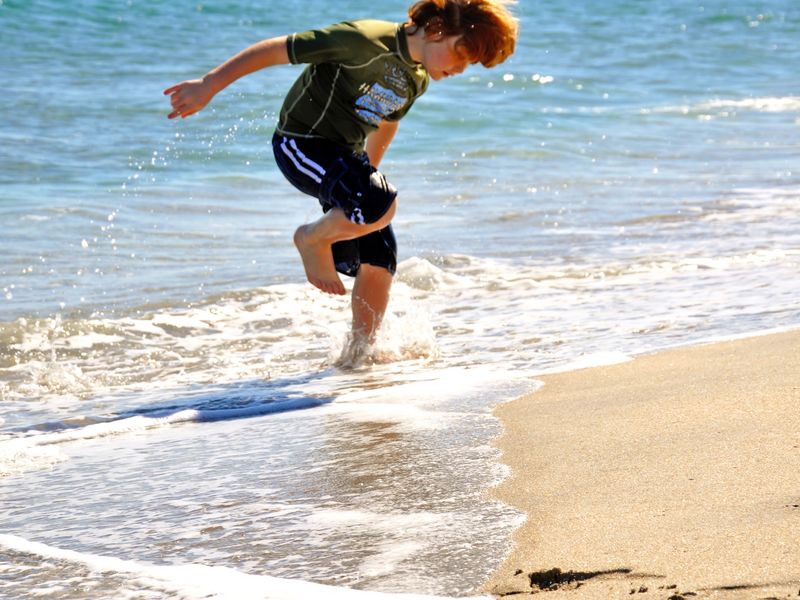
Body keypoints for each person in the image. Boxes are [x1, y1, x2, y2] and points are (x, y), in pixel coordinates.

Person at [164, 0, 517, 351]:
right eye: (460, 54)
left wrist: (368, 180)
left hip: (346, 159)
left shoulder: (417, 77)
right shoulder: (362, 39)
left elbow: (385, 123)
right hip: (300, 144)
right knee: (381, 204)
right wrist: (209, 85)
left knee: (381, 255)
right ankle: (312, 240)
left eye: (469, 64)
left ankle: (360, 354)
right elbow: (277, 50)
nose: (460, 69)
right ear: (438, 30)